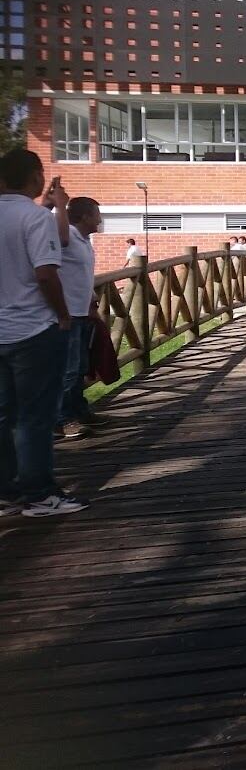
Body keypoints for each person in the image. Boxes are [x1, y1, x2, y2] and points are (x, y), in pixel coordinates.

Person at [0, 149, 86, 517]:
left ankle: (6, 492)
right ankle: (39, 494)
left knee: (4, 415)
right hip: (33, 330)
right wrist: (64, 315)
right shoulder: (35, 218)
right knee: (34, 417)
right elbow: (46, 274)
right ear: (36, 177)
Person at [56, 195, 109, 438]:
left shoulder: (85, 240)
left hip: (82, 311)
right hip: (66, 315)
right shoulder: (66, 238)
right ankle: (63, 420)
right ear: (85, 216)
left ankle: (80, 411)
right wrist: (57, 202)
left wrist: (91, 301)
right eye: (97, 214)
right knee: (67, 369)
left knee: (79, 367)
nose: (100, 219)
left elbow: (81, 275)